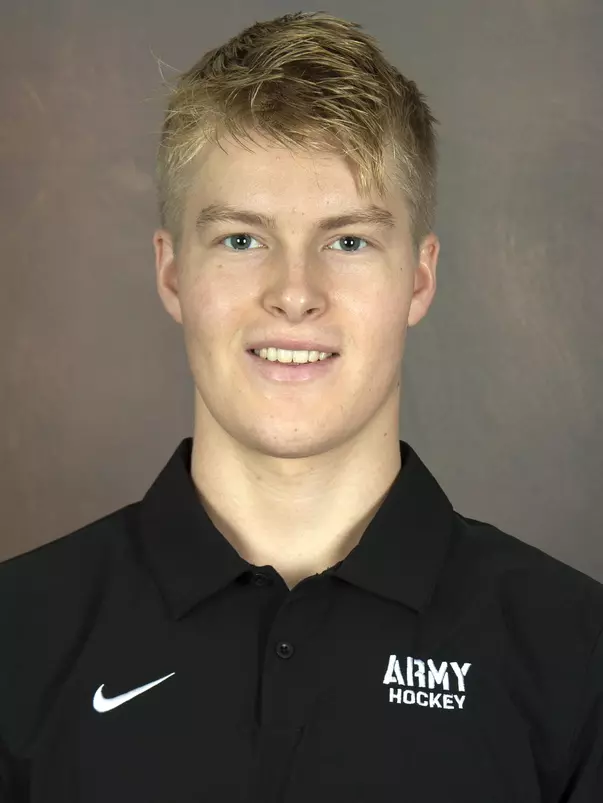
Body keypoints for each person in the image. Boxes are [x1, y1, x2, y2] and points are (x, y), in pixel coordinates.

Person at [1, 10, 601, 802]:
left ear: (417, 279)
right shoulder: (19, 633)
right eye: (242, 239)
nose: (293, 293)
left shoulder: (576, 654)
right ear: (173, 272)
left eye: (348, 241)